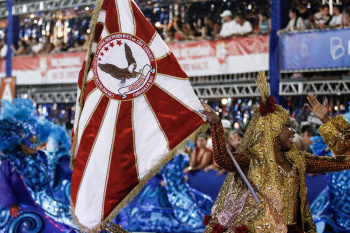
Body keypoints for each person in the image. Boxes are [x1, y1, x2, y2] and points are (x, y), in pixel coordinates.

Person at [201, 72, 350, 232]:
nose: (293, 131)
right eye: (287, 126)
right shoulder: (252, 159)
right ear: (272, 131)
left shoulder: (299, 160)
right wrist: (216, 124)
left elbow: (347, 160)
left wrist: (326, 119)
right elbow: (224, 160)